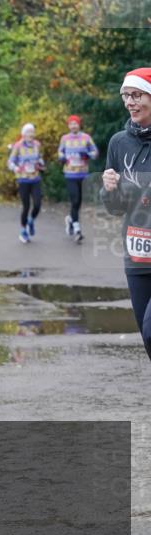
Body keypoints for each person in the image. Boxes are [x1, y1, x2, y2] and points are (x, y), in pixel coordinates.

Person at [101, 66, 151, 361]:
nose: (130, 102)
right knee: (146, 336)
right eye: (126, 96)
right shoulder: (119, 142)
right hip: (138, 252)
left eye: (137, 95)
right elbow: (115, 208)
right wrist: (109, 190)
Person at [58, 114, 98, 243]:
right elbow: (60, 152)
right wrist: (62, 157)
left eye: (75, 123)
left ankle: (70, 219)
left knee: (78, 202)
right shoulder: (65, 138)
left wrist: (87, 154)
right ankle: (77, 230)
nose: (73, 125)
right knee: (75, 200)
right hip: (70, 174)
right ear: (68, 126)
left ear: (79, 124)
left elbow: (95, 152)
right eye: (71, 123)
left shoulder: (86, 137)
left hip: (83, 174)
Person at [8, 123, 45, 243]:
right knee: (26, 206)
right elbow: (10, 161)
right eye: (28, 132)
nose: (31, 134)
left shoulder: (37, 145)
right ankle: (23, 231)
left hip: (35, 179)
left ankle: (31, 220)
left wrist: (41, 163)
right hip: (23, 179)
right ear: (23, 134)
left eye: (32, 132)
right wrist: (16, 168)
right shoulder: (18, 146)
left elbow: (39, 157)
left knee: (38, 204)